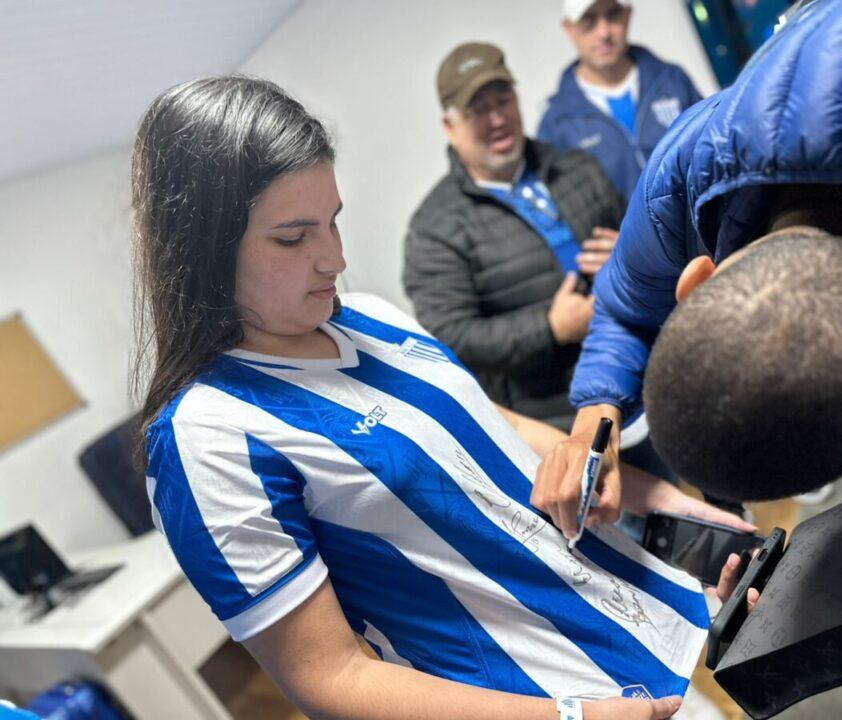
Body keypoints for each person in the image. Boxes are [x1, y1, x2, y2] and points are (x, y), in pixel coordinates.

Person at [132, 75, 751, 720]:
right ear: (201, 249)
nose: (334, 259)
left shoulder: (366, 315)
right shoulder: (205, 435)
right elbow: (329, 678)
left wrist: (658, 503)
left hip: (642, 656)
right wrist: (570, 718)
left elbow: (488, 425)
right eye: (294, 238)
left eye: (333, 222)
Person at [531, 0, 842, 622]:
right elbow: (626, 311)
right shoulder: (690, 168)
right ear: (694, 279)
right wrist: (594, 422)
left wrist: (839, 598)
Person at [404, 42, 625, 429]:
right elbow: (451, 335)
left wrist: (626, 256)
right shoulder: (434, 228)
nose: (496, 119)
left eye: (503, 100)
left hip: (633, 375)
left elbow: (644, 244)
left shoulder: (577, 167)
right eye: (477, 110)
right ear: (450, 127)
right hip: (556, 423)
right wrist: (551, 328)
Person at [538, 0, 701, 201]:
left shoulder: (672, 80)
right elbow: (570, 208)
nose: (604, 33)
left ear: (628, 15)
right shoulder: (557, 123)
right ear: (569, 28)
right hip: (631, 233)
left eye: (613, 15)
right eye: (589, 21)